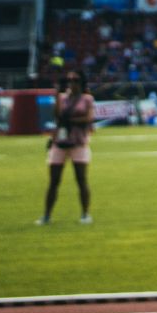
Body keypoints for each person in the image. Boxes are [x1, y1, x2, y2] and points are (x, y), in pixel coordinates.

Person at [38, 70, 95, 226]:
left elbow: (89, 118)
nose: (72, 83)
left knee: (81, 179)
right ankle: (46, 215)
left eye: (75, 80)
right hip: (60, 142)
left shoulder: (87, 99)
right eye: (69, 80)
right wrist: (58, 95)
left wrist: (70, 119)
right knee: (53, 181)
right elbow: (57, 117)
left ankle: (85, 214)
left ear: (81, 82)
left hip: (78, 142)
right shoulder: (62, 98)